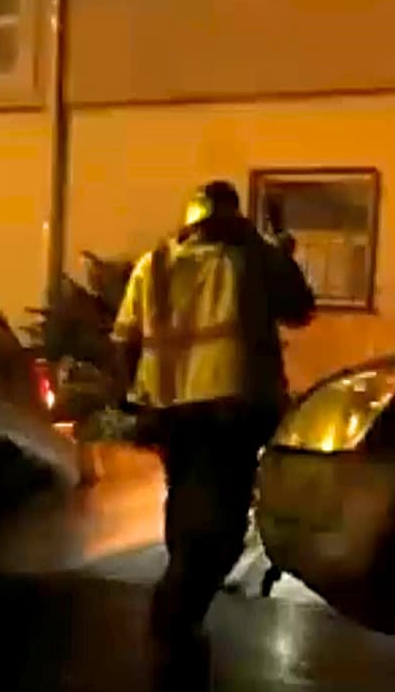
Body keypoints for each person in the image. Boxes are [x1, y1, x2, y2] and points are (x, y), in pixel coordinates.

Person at [110, 181, 315, 683]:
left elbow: (124, 342)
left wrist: (129, 404)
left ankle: (177, 622)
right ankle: (172, 620)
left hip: (171, 414)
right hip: (232, 410)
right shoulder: (250, 259)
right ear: (232, 219)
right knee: (221, 531)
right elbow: (300, 308)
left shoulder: (153, 263)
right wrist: (282, 252)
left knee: (184, 514)